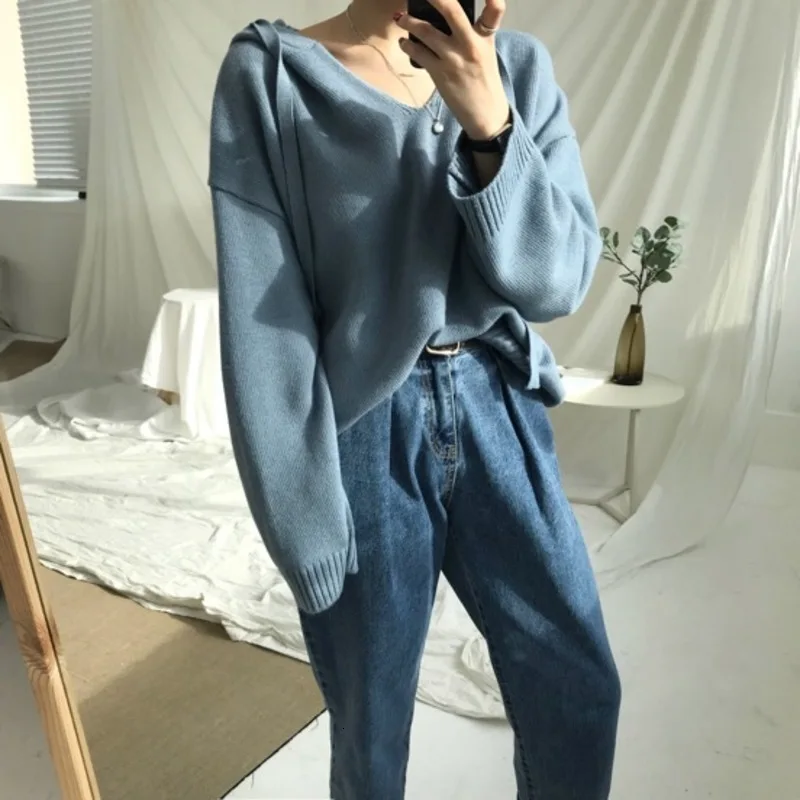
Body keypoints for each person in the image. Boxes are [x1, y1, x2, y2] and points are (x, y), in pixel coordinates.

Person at [208, 0, 621, 797]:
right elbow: (265, 318)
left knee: (578, 689)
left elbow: (557, 284)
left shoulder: (517, 70)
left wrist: (489, 124)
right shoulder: (272, 75)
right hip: (365, 428)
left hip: (500, 403)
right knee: (371, 726)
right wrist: (300, 516)